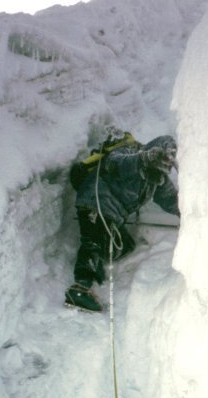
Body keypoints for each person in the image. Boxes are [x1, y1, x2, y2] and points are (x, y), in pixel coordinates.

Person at [65, 128, 179, 312]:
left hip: (113, 215)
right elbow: (115, 163)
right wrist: (143, 160)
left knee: (125, 246)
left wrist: (190, 213)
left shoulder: (157, 179)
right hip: (96, 201)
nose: (162, 168)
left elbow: (171, 199)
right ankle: (80, 288)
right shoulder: (130, 151)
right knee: (92, 242)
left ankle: (95, 269)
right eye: (161, 160)